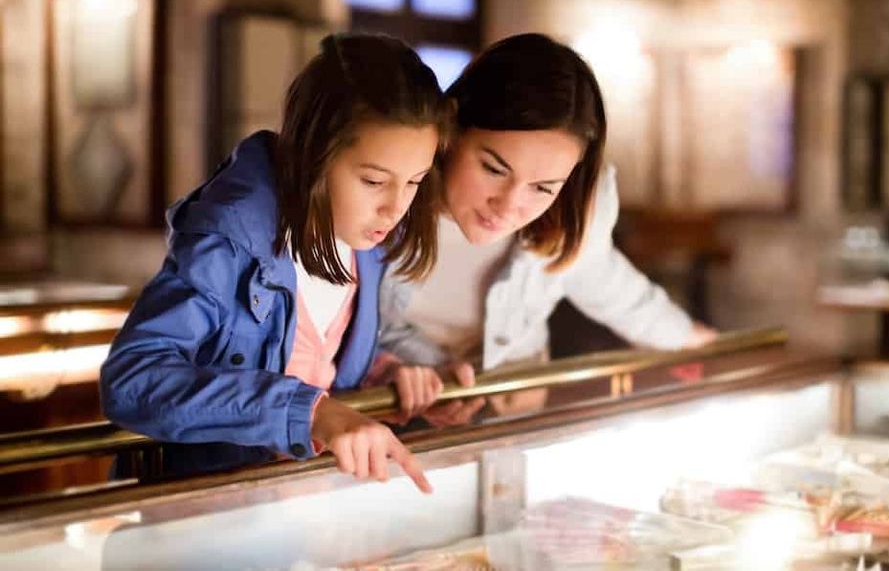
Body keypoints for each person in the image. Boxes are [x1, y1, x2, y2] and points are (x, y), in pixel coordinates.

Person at [100, 34, 453, 492]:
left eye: (414, 182)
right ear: (313, 155)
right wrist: (308, 412)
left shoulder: (369, 244)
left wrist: (385, 373)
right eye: (373, 181)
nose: (396, 208)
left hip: (301, 502)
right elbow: (133, 380)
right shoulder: (229, 242)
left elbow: (315, 360)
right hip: (203, 508)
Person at [379, 33, 716, 423]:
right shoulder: (386, 193)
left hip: (513, 406)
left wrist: (689, 338)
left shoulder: (573, 210)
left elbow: (605, 282)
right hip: (392, 404)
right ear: (452, 127)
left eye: (542, 188)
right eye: (493, 169)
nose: (508, 205)